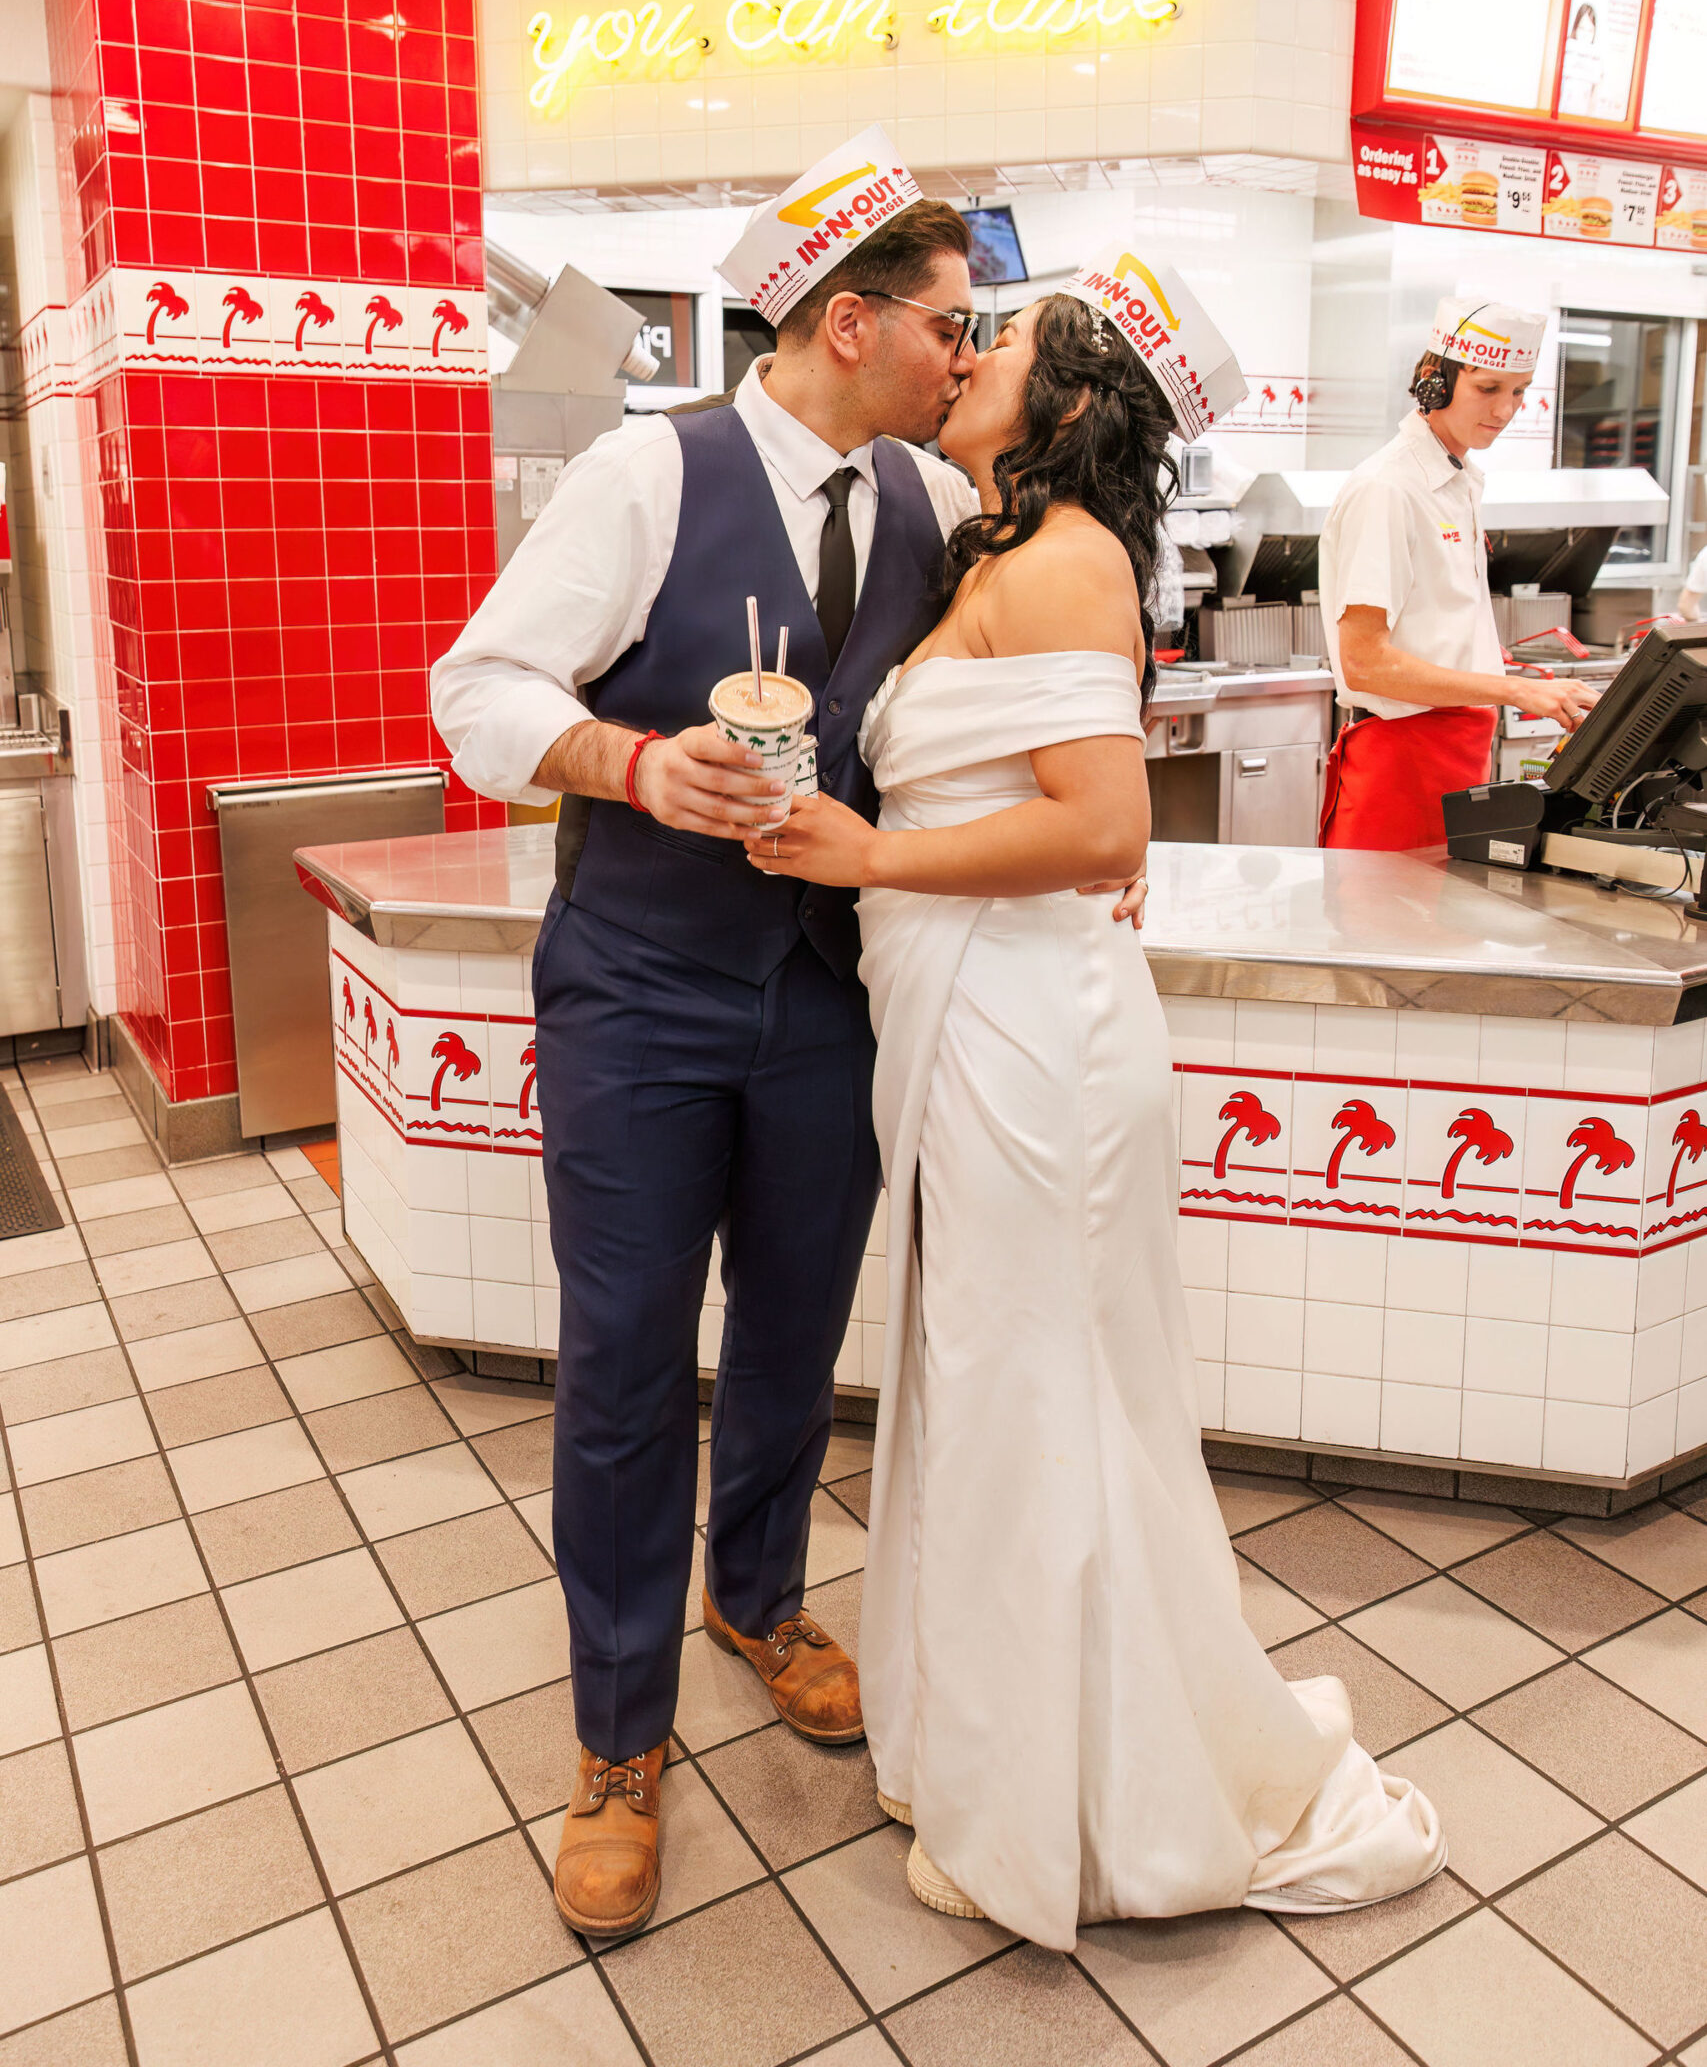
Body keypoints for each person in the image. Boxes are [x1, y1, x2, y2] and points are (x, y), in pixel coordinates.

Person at [746, 249, 1446, 1946]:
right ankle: (1002, 1749)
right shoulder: (989, 534)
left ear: (1066, 401)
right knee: (994, 1388)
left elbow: (1104, 830)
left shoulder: (1065, 561)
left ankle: (1074, 1801)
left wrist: (872, 853)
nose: (967, 355)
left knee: (1029, 1400)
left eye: (1005, 344)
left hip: (1032, 1047)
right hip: (983, 1021)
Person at [430, 129, 983, 1933]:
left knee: (795, 1332)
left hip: (826, 997)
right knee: (621, 1363)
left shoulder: (929, 507)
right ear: (844, 325)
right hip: (643, 990)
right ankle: (613, 1739)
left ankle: (758, 1594)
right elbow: (484, 690)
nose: (963, 356)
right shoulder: (643, 476)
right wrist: (634, 760)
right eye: (945, 324)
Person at [1317, 300, 1597, 851]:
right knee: (1382, 930)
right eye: (1488, 389)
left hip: (1457, 757)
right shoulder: (1389, 488)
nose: (1506, 409)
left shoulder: (1459, 480)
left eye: (1519, 391)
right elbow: (1365, 661)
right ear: (1433, 383)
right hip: (1401, 764)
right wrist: (1516, 689)